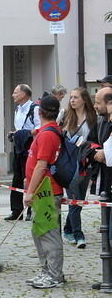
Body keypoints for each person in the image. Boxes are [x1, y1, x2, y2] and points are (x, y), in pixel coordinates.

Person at [23, 95, 65, 289]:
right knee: (39, 231)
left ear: (40, 112)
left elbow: (41, 165)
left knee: (48, 233)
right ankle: (46, 270)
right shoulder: (45, 131)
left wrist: (29, 192)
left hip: (46, 191)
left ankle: (54, 275)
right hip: (42, 190)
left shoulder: (48, 134)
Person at [60, 87, 97, 249]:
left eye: (75, 97)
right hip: (70, 164)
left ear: (84, 100)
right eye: (71, 97)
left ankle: (68, 229)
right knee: (74, 198)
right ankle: (78, 234)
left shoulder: (92, 118)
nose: (72, 100)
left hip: (86, 162)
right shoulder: (66, 116)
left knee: (78, 201)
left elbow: (95, 138)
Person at [7, 84, 40, 220]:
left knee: (31, 177)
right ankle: (16, 211)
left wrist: (27, 133)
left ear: (24, 94)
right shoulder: (18, 109)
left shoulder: (35, 109)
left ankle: (31, 210)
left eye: (16, 92)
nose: (13, 95)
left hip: (30, 145)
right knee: (17, 178)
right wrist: (16, 133)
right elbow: (19, 126)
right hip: (19, 145)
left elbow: (39, 127)